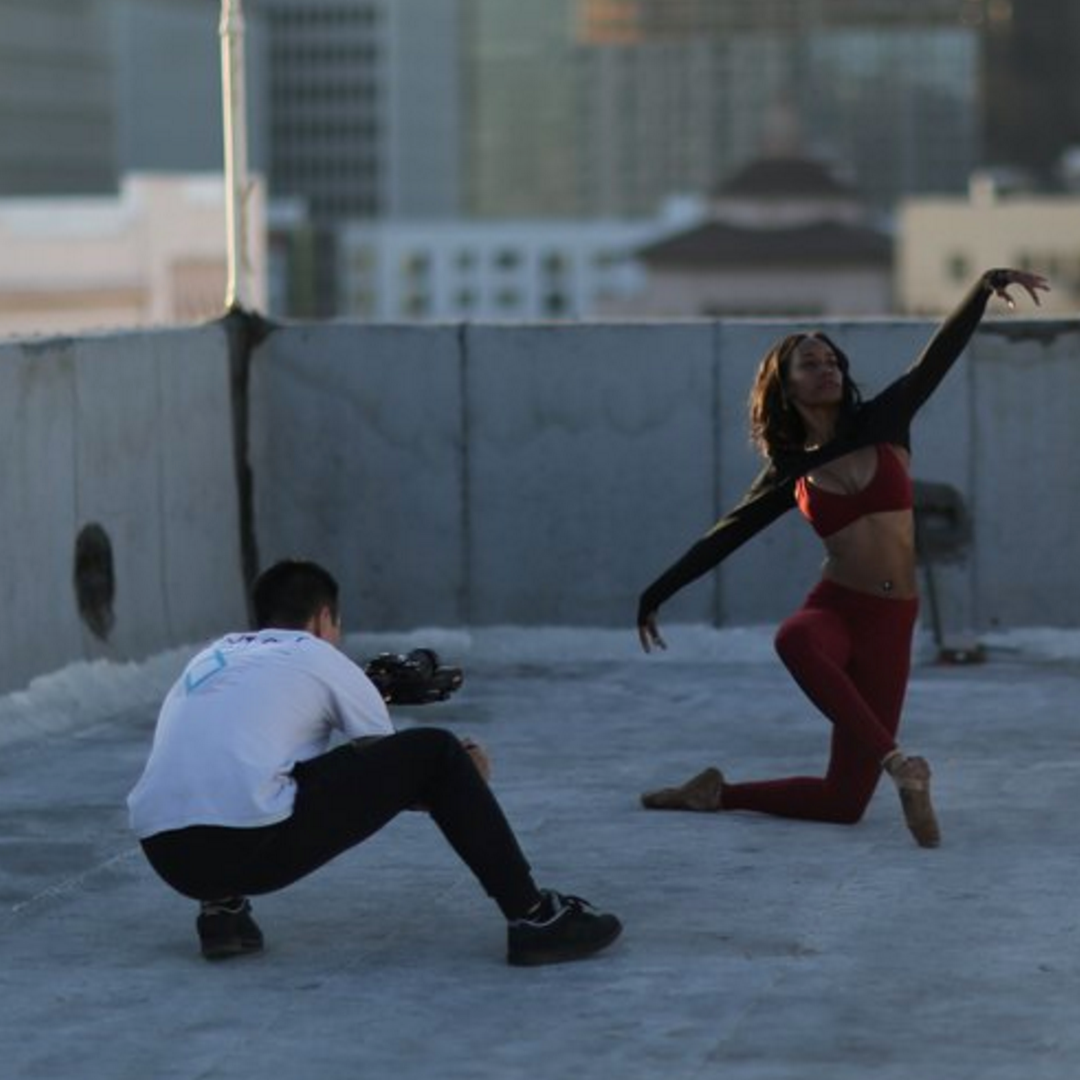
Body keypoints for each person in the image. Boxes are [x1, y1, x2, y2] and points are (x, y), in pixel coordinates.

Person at [637, 269, 1049, 847]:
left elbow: (936, 358)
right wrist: (655, 593)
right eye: (810, 363)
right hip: (835, 609)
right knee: (794, 639)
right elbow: (725, 535)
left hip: (892, 621)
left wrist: (982, 289)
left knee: (842, 804)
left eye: (832, 360)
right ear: (785, 385)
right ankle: (900, 764)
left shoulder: (884, 420)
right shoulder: (788, 472)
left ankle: (715, 792)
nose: (826, 368)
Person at [128, 558, 621, 966]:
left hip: (165, 853)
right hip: (247, 844)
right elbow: (395, 772)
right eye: (337, 624)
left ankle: (221, 913)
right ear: (323, 619)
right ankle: (535, 916)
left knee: (239, 771)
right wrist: (463, 773)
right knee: (435, 750)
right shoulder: (317, 655)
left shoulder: (212, 657)